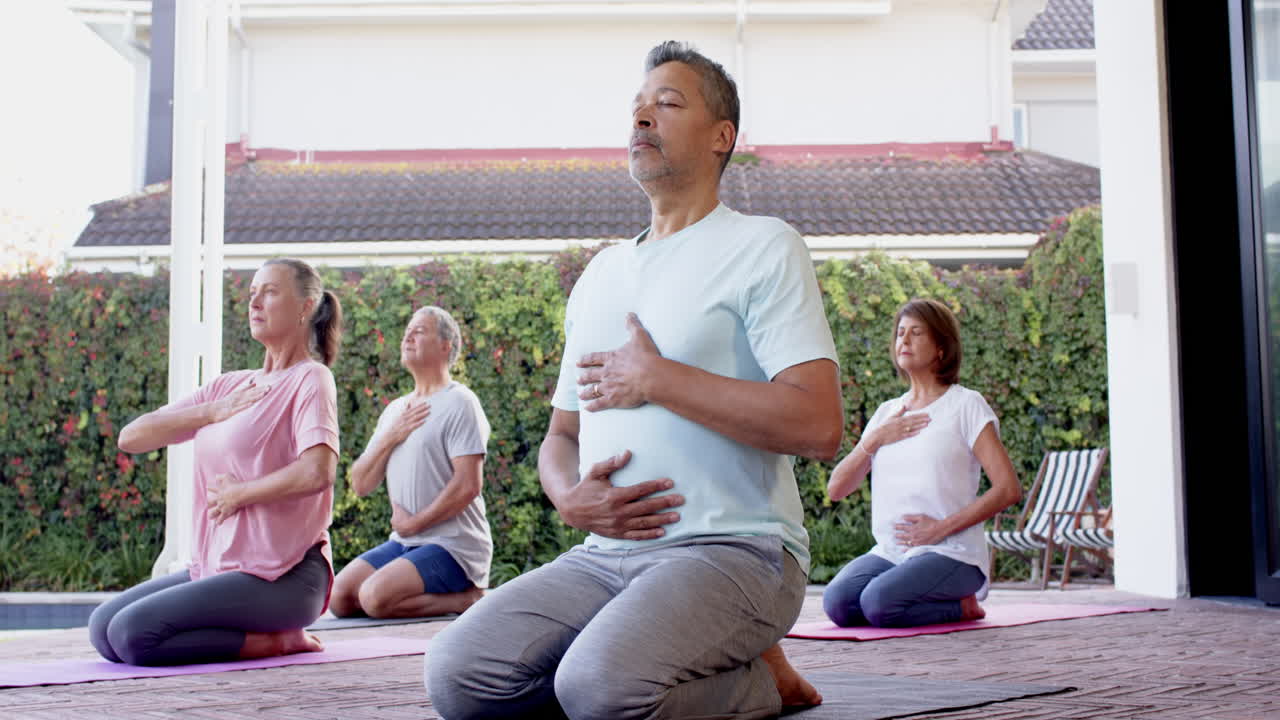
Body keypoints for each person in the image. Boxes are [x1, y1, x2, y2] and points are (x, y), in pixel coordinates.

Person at [425, 41, 842, 719]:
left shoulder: (764, 246)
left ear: (721, 137)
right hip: (604, 556)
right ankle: (684, 667)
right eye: (637, 108)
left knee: (598, 686)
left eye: (668, 104)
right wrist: (567, 497)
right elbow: (562, 435)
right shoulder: (602, 274)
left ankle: (762, 684)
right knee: (458, 676)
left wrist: (660, 379)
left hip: (738, 550)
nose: (643, 118)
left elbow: (820, 425)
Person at [88, 258, 342, 666]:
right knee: (102, 628)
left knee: (132, 635)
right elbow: (132, 436)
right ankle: (263, 636)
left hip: (284, 577)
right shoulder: (231, 386)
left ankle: (276, 642)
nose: (254, 301)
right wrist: (211, 411)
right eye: (252, 293)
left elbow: (318, 471)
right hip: (217, 567)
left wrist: (241, 494)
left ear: (306, 307)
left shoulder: (310, 379)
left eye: (270, 292)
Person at [822, 298, 1021, 629]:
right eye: (900, 333)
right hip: (891, 552)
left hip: (952, 552)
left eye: (916, 333)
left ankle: (962, 605)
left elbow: (1008, 488)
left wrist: (939, 528)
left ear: (941, 348)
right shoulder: (887, 413)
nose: (904, 340)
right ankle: (913, 597)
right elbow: (837, 488)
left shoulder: (965, 405)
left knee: (878, 603)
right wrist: (873, 440)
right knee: (838, 604)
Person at [329, 306, 491, 619]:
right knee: (339, 598)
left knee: (374, 598)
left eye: (419, 330)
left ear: (446, 346)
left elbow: (468, 485)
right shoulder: (396, 412)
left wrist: (413, 524)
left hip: (453, 546)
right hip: (405, 541)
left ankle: (466, 599)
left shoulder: (460, 401)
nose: (408, 336)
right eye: (407, 330)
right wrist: (392, 435)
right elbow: (361, 483)